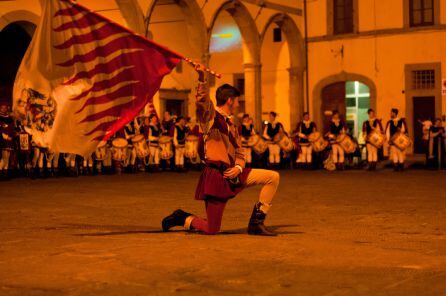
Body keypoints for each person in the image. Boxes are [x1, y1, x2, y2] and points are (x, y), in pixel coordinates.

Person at [161, 64, 280, 236]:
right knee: (212, 229)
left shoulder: (233, 125)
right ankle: (182, 217)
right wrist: (202, 77)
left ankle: (256, 223)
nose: (239, 104)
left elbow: (240, 152)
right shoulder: (210, 118)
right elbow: (202, 102)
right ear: (230, 100)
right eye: (238, 101)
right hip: (216, 176)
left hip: (234, 172)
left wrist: (239, 167)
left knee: (272, 177)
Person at [0, 103, 14, 180]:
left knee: (7, 157)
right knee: (4, 158)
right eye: (2, 108)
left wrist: (11, 136)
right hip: (2, 140)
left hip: (9, 140)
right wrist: (6, 137)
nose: (4, 109)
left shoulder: (9, 118)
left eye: (5, 108)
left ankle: (5, 174)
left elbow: (11, 128)